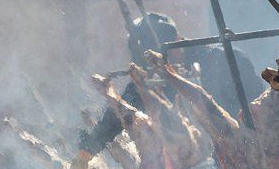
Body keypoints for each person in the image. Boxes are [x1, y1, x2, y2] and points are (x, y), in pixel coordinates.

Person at [79, 12, 264, 155]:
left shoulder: (225, 59)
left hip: (241, 154)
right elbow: (116, 116)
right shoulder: (153, 78)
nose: (153, 65)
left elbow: (257, 105)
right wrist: (85, 154)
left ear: (176, 40)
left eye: (155, 57)